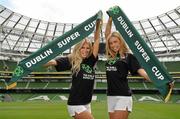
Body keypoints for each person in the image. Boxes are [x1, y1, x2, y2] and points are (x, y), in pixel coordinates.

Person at [44, 19, 101, 119]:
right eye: (83, 47)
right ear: (78, 48)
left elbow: (96, 40)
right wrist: (36, 63)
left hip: (87, 103)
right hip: (76, 103)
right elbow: (54, 62)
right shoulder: (72, 59)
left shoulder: (91, 60)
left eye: (88, 48)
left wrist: (97, 25)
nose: (85, 50)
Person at [105, 17, 150, 119]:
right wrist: (110, 19)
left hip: (123, 96)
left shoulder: (128, 56)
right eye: (111, 43)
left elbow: (141, 71)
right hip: (110, 96)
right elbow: (107, 33)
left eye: (115, 41)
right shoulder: (110, 55)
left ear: (120, 41)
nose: (113, 45)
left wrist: (157, 81)